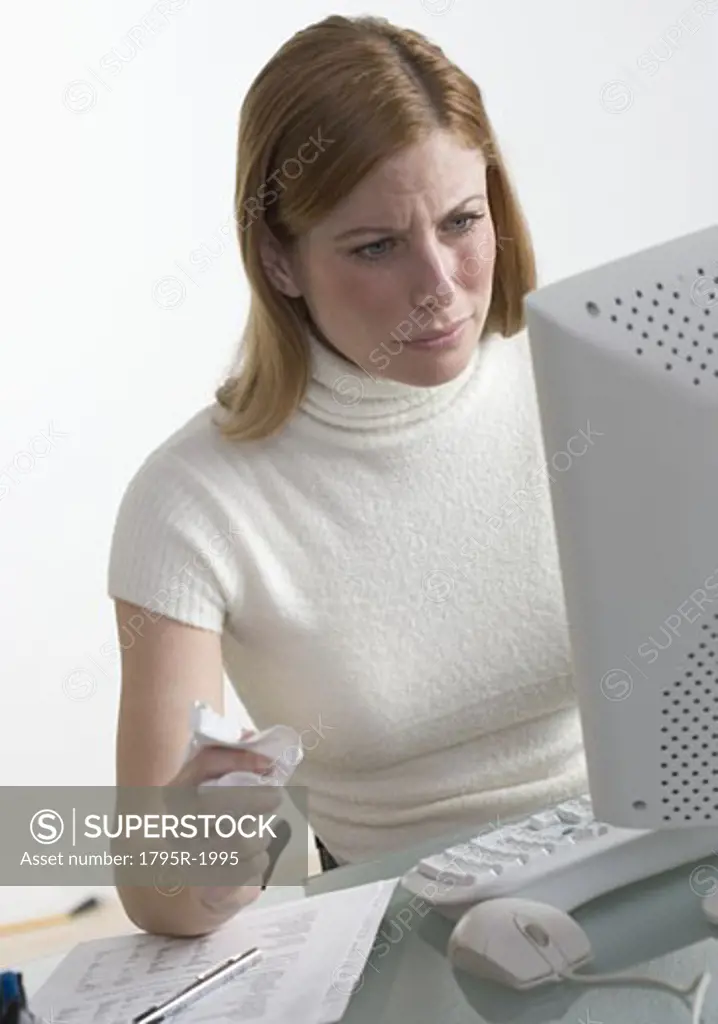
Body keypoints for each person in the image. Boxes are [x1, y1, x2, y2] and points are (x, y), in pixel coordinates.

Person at [108, 13, 588, 938]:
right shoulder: (191, 504)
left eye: (462, 221)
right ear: (280, 260)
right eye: (376, 247)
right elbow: (154, 888)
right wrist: (211, 854)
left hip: (659, 868)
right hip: (410, 936)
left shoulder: (585, 384)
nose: (440, 284)